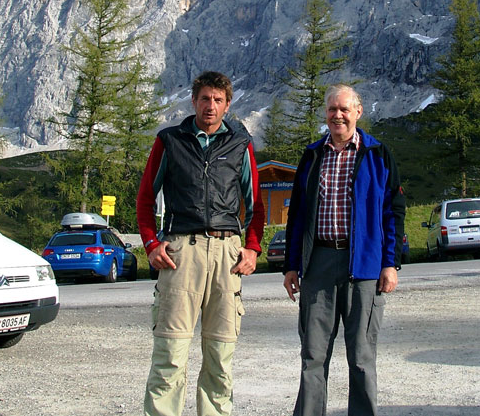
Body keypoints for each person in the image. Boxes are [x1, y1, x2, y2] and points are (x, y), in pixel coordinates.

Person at [137, 70, 266, 416]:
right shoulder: (169, 141)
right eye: (205, 99)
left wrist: (252, 248)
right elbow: (146, 198)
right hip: (181, 253)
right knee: (170, 356)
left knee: (220, 359)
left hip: (227, 255)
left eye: (218, 100)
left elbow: (255, 206)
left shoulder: (241, 144)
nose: (211, 106)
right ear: (193, 101)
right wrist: (151, 243)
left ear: (228, 105)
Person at [282, 83, 405, 416]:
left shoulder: (378, 155)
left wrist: (390, 263)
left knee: (362, 356)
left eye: (344, 109)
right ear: (326, 113)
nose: (338, 115)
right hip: (318, 262)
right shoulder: (312, 155)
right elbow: (296, 216)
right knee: (313, 356)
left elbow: (393, 211)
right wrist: (292, 265)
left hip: (364, 265)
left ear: (358, 112)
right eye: (332, 109)